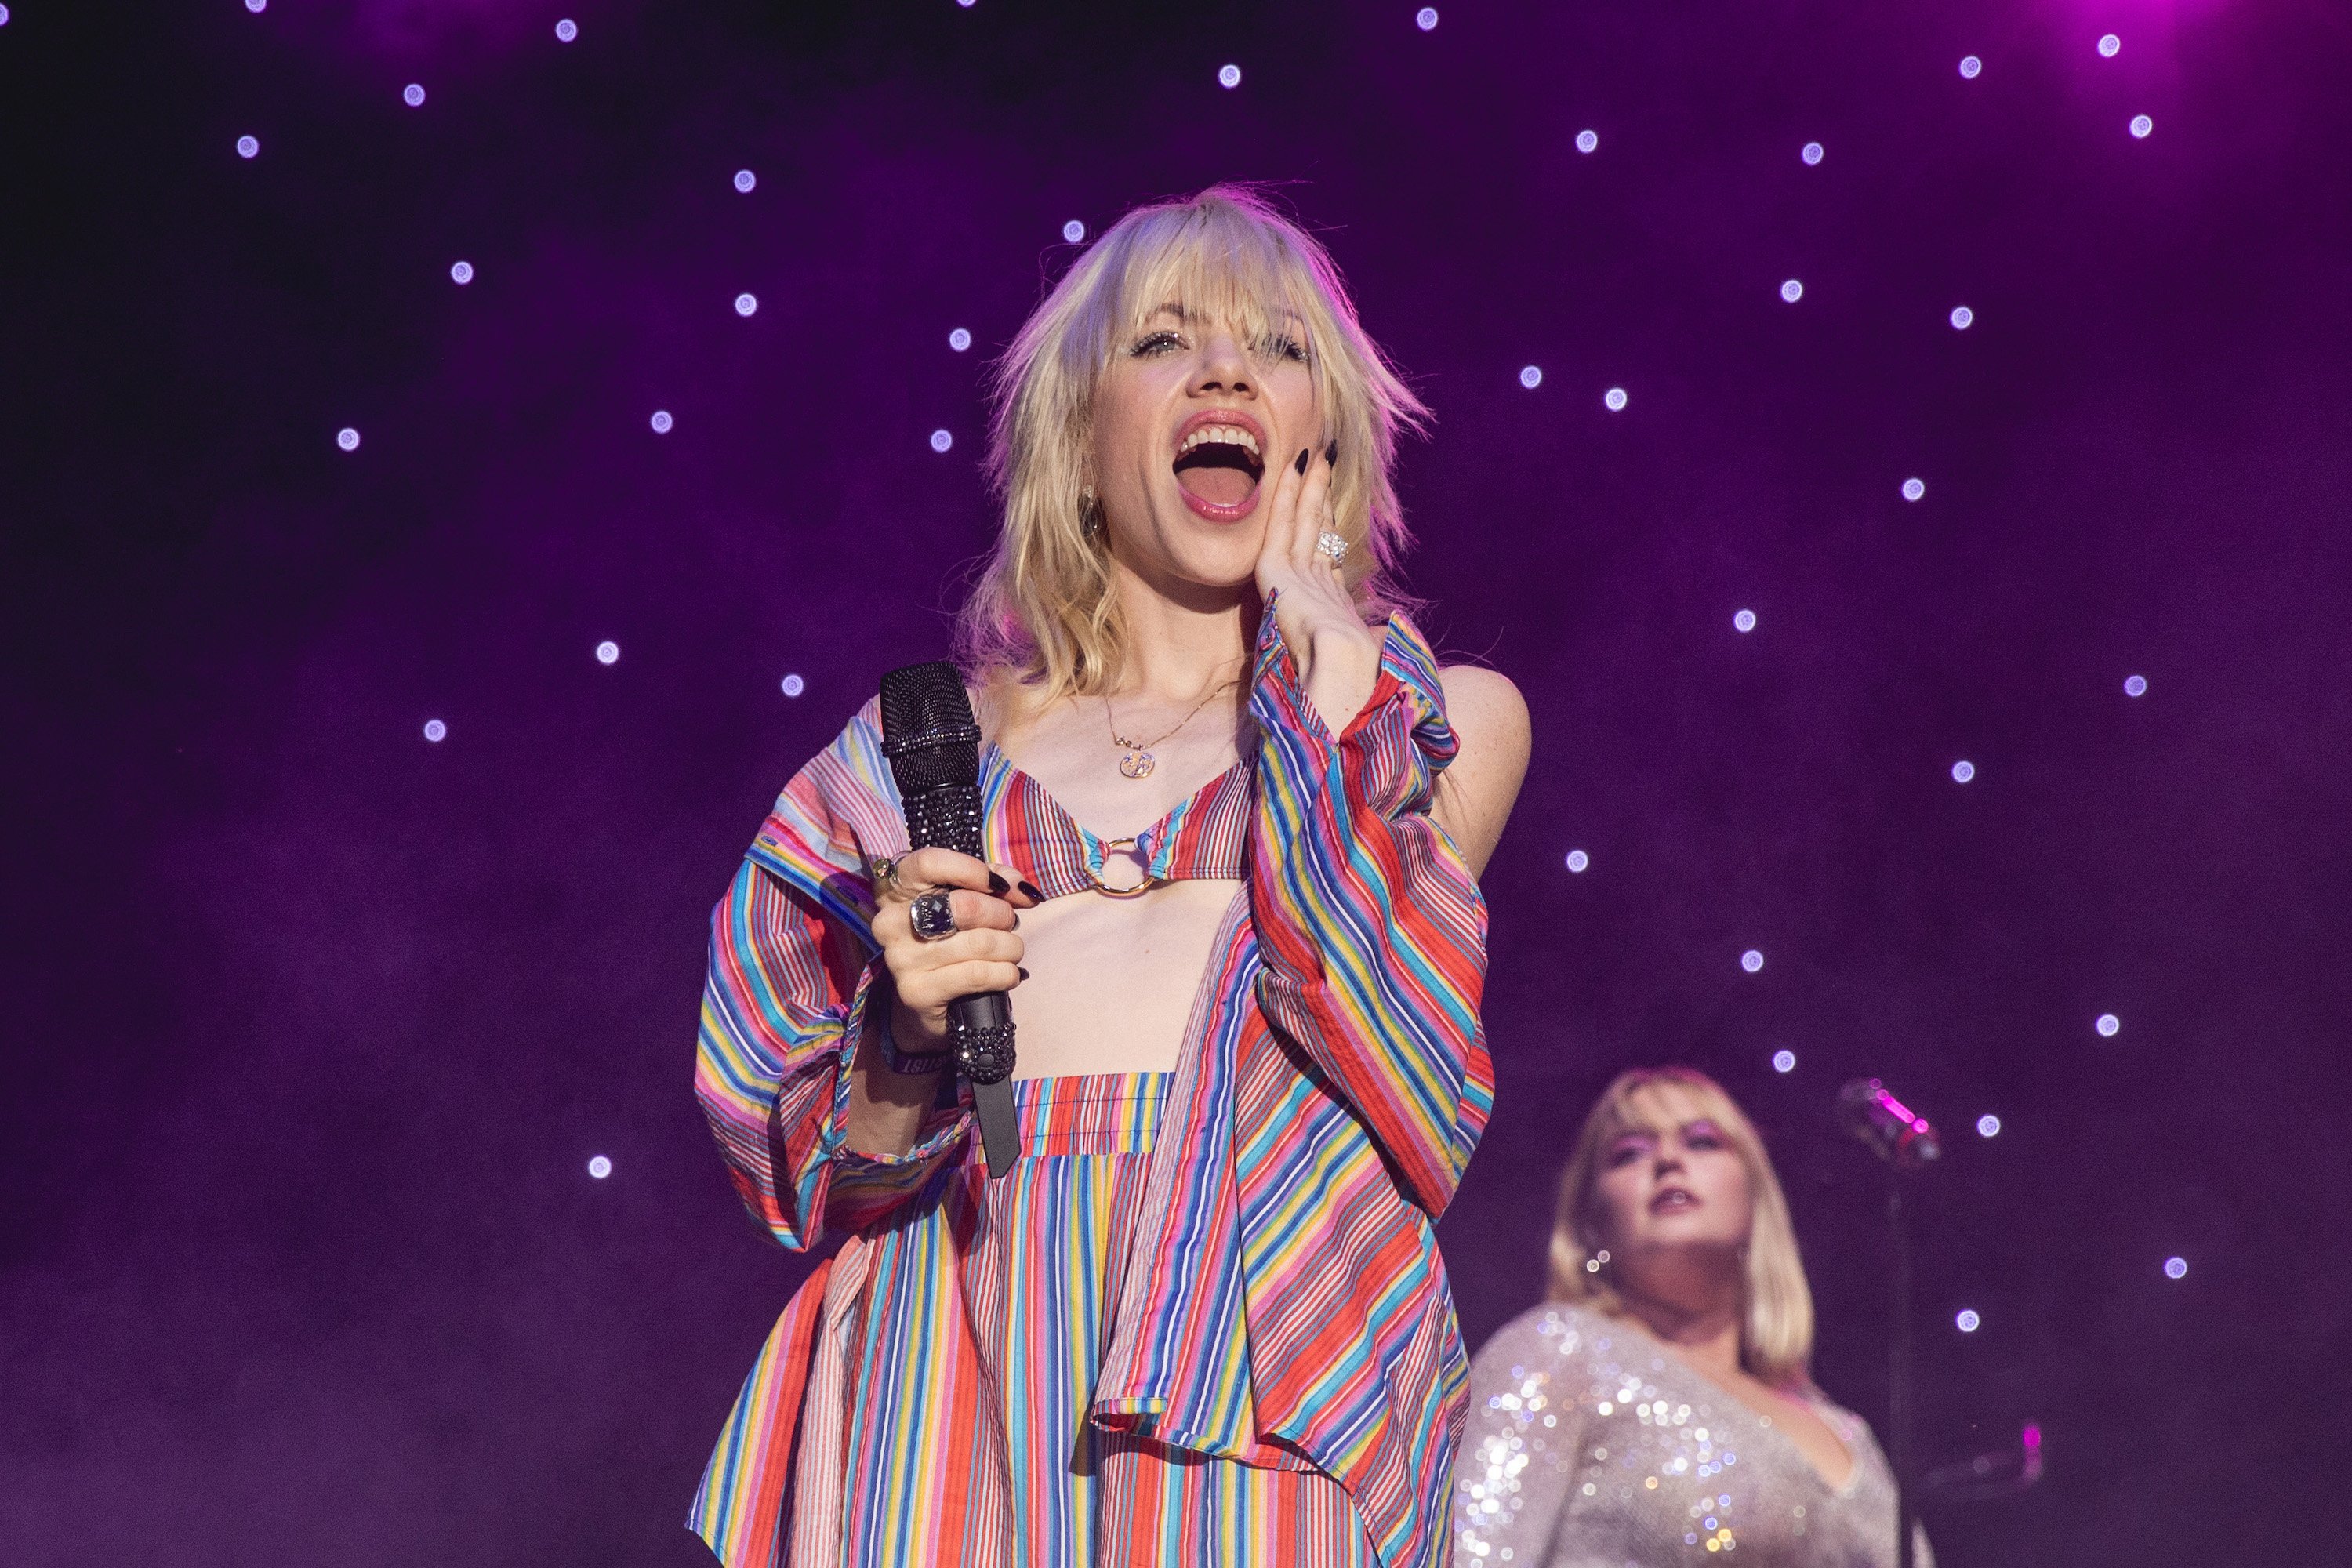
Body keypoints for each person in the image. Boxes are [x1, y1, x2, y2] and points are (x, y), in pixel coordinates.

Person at [688, 186, 1531, 1568]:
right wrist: (900, 1041)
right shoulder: (913, 758)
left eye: (1278, 344)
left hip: (1262, 1364)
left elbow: (1380, 1017)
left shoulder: (1431, 718)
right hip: (946, 1346)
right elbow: (799, 1154)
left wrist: (1321, 670)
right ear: (1080, 440)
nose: (1223, 370)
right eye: (1162, 343)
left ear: (1324, 432)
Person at [1450, 1069, 1928, 1566]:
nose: (1668, 1160)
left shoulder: (1849, 1433)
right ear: (1592, 1224)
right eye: (1629, 1152)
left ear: (1756, 1199)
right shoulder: (1559, 1350)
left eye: (1702, 1141)